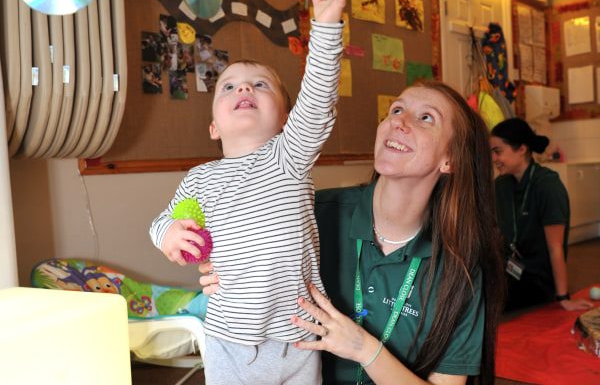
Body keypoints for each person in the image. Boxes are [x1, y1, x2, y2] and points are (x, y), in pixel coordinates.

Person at [201, 81, 506, 384]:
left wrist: (363, 347)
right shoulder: (311, 215)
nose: (398, 121)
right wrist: (228, 271)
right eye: (396, 110)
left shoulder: (458, 267)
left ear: (450, 158)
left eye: (425, 117)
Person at [149, 0, 351, 383]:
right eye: (229, 86)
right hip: (228, 338)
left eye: (261, 85)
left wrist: (326, 28)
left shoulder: (288, 156)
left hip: (298, 335)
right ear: (213, 127)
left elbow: (318, 100)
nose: (244, 88)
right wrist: (168, 232)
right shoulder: (200, 179)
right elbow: (163, 221)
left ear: (285, 119)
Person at [490, 118, 594, 312]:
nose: (494, 158)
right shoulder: (501, 185)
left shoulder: (548, 186)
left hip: (535, 279)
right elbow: (495, 232)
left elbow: (555, 248)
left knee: (484, 295)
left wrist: (563, 298)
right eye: (492, 152)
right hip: (509, 268)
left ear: (521, 149)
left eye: (498, 151)